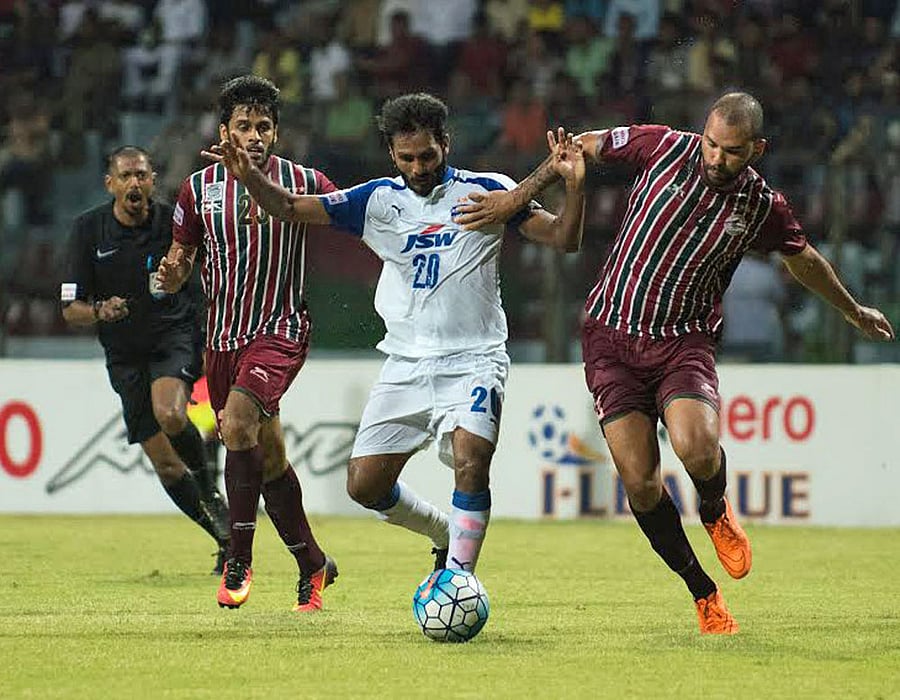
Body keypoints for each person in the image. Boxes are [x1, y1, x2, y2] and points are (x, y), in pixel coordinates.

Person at [452, 92, 895, 634]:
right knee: (639, 482)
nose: (715, 158)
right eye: (710, 143)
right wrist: (514, 198)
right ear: (701, 132)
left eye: (731, 151)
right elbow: (577, 149)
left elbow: (802, 258)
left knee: (696, 447)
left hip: (683, 342)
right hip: (610, 337)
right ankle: (703, 594)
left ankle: (714, 508)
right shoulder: (658, 146)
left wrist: (851, 311)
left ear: (757, 149)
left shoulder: (761, 205)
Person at [200, 92, 585, 584]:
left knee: (471, 460)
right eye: (407, 158)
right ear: (391, 154)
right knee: (365, 486)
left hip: (474, 359)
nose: (418, 166)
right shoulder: (376, 201)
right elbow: (289, 206)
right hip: (404, 363)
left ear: (446, 143)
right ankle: (444, 534)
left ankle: (459, 580)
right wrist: (249, 176)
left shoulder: (488, 192)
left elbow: (564, 239)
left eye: (427, 155)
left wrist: (574, 188)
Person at [155, 75, 339, 613]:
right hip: (222, 339)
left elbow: (355, 217)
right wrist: (170, 274)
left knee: (235, 425)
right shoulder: (198, 189)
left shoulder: (304, 182)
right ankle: (313, 565)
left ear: (276, 134)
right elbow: (181, 256)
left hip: (281, 329)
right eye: (244, 126)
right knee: (270, 456)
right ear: (224, 131)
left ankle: (238, 556)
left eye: (263, 127)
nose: (254, 135)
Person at [60, 145, 230, 574]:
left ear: (153, 180)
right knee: (165, 463)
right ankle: (225, 539)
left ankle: (210, 490)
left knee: (170, 413)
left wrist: (212, 329)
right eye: (126, 176)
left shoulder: (175, 222)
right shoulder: (87, 231)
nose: (134, 183)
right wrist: (100, 310)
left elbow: (208, 271)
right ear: (110, 184)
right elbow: (69, 308)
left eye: (141, 175)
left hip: (173, 336)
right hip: (124, 355)